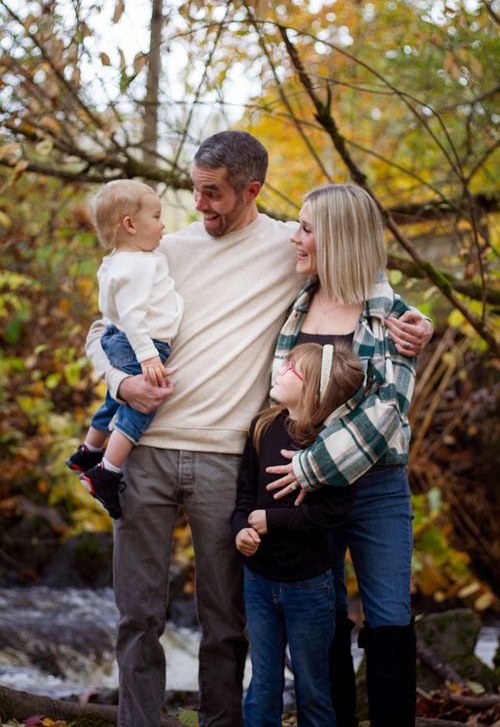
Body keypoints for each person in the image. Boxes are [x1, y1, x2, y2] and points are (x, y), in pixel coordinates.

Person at [85, 131, 432, 727]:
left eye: (213, 193)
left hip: (247, 462)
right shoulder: (164, 249)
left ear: (251, 190)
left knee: (233, 621)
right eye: (194, 191)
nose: (199, 205)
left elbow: (360, 274)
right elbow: (103, 329)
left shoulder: (292, 249)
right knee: (140, 616)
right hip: (163, 451)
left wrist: (415, 322)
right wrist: (120, 385)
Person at [265, 183, 427, 727]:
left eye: (307, 228)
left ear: (338, 237)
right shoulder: (296, 305)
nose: (295, 236)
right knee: (323, 613)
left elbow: (387, 411)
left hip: (374, 485)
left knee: (389, 615)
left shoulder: (393, 318)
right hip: (305, 489)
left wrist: (310, 468)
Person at [232, 341, 364, 727]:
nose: (280, 371)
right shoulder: (263, 427)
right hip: (259, 580)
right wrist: (241, 530)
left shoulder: (332, 445)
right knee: (263, 683)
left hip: (308, 585)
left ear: (314, 391)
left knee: (312, 688)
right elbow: (244, 495)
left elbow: (332, 513)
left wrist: (272, 521)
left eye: (292, 369)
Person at [66, 180, 183, 519]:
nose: (163, 226)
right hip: (141, 344)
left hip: (118, 339)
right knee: (141, 406)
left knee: (114, 397)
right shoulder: (138, 265)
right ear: (130, 224)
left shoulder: (118, 261)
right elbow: (132, 316)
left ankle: (89, 449)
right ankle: (107, 471)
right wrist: (148, 355)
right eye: (156, 217)